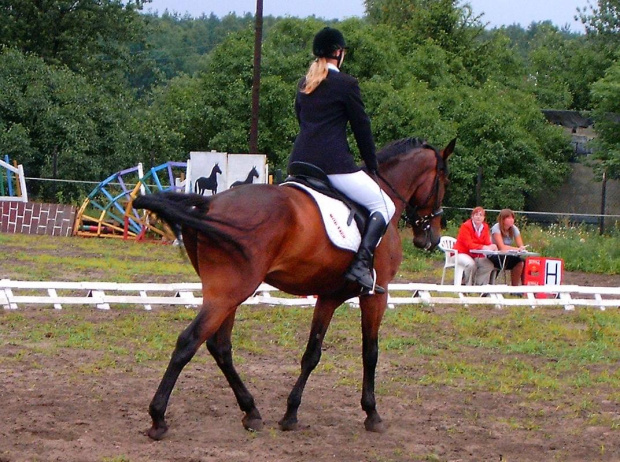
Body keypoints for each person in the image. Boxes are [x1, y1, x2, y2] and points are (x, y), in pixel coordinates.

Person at [288, 26, 395, 294]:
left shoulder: (305, 84)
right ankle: (360, 265)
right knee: (385, 206)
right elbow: (362, 128)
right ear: (338, 53)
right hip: (333, 165)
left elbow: (301, 119)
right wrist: (372, 165)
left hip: (299, 162)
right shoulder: (347, 84)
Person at [453, 207, 497, 285]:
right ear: (472, 216)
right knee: (471, 264)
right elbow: (469, 245)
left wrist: (492, 246)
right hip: (461, 253)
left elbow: (487, 242)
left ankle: (477, 285)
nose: (478, 217)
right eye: (476, 214)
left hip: (475, 254)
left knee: (488, 265)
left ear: (484, 218)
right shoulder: (465, 226)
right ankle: (468, 286)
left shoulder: (485, 227)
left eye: (481, 215)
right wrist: (483, 247)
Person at [489, 208, 527, 286]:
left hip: (506, 255)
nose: (511, 220)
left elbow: (521, 245)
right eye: (509, 218)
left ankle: (516, 288)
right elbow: (501, 247)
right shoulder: (496, 228)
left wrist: (522, 248)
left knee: (521, 262)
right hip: (494, 255)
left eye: (512, 218)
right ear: (502, 219)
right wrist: (517, 249)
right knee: (505, 261)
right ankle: (489, 285)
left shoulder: (514, 229)